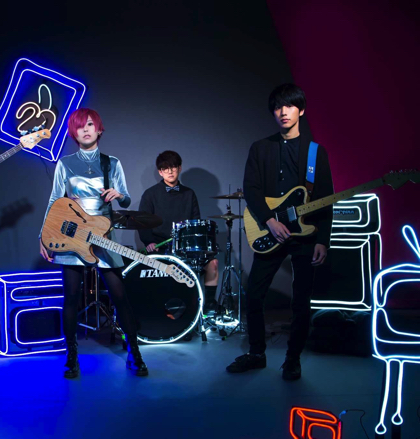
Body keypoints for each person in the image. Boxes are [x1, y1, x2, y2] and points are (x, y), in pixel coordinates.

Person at [226, 83, 334, 380]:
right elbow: (251, 189)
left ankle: (292, 359)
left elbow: (325, 199)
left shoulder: (316, 153)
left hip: (305, 236)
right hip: (270, 232)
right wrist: (269, 221)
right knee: (254, 295)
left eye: (289, 105)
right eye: (277, 107)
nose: (283, 111)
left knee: (301, 301)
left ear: (301, 110)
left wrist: (323, 240)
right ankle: (256, 353)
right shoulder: (260, 148)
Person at [39, 108, 147, 378]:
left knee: (119, 295)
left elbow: (126, 200)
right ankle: (71, 356)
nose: (85, 129)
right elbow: (54, 200)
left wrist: (119, 195)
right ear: (73, 133)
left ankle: (134, 352)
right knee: (71, 297)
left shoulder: (112, 163)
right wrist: (43, 234)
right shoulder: (65, 163)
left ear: (99, 129)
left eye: (90, 124)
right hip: (71, 235)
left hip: (103, 235)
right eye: (79, 126)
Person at [138, 150, 219, 302]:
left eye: (173, 167)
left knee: (213, 263)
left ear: (179, 168)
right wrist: (149, 242)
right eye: (165, 168)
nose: (170, 171)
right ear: (160, 172)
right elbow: (142, 222)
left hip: (185, 249)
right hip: (161, 248)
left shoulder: (189, 193)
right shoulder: (150, 194)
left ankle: (208, 306)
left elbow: (195, 221)